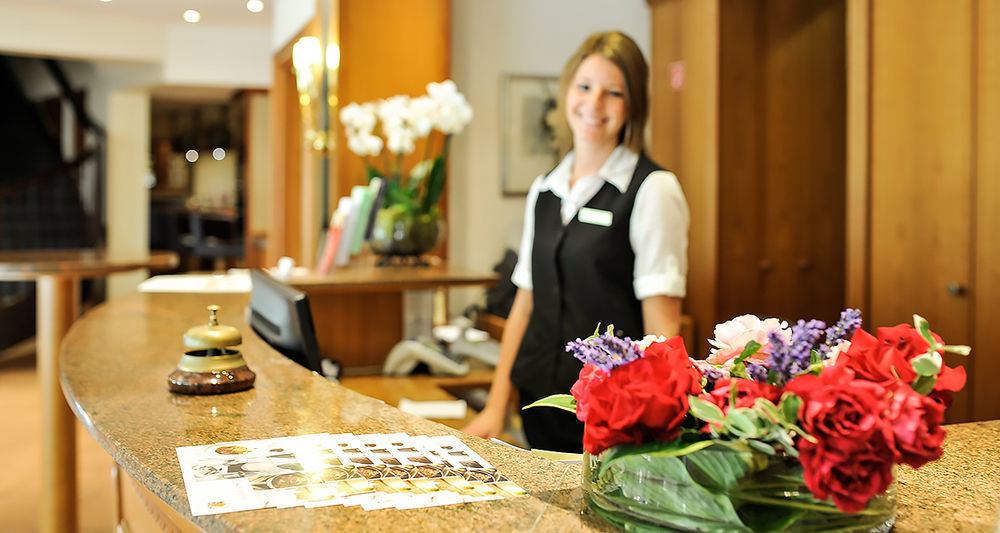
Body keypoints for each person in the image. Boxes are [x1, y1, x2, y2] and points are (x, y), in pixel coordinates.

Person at [463, 31, 689, 452]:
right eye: (584, 87)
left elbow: (663, 331)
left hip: (611, 415)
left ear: (633, 105)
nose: (593, 104)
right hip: (537, 403)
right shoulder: (545, 189)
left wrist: (659, 432)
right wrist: (497, 406)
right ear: (567, 90)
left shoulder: (653, 190)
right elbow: (524, 305)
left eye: (613, 92)